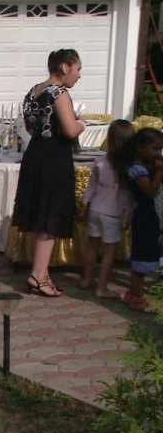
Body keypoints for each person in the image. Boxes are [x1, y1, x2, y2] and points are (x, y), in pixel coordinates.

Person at [11, 49, 86, 298]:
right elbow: (70, 128)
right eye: (77, 70)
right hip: (54, 157)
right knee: (50, 216)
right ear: (64, 67)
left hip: (36, 154)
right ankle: (38, 275)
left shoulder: (34, 91)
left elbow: (30, 125)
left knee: (41, 214)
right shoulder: (59, 92)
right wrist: (83, 123)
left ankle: (41, 272)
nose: (79, 76)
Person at [80, 120, 135, 299]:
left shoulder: (100, 161)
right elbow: (128, 197)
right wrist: (128, 216)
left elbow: (91, 187)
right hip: (113, 213)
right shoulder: (128, 167)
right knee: (109, 252)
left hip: (95, 209)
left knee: (92, 246)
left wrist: (86, 205)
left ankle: (86, 279)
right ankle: (102, 288)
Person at [124, 128, 163, 312]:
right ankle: (137, 298)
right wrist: (160, 172)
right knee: (141, 261)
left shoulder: (150, 167)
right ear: (141, 148)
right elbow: (149, 191)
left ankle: (133, 293)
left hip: (155, 220)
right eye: (155, 149)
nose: (159, 153)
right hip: (145, 220)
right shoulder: (137, 169)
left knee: (150, 257)